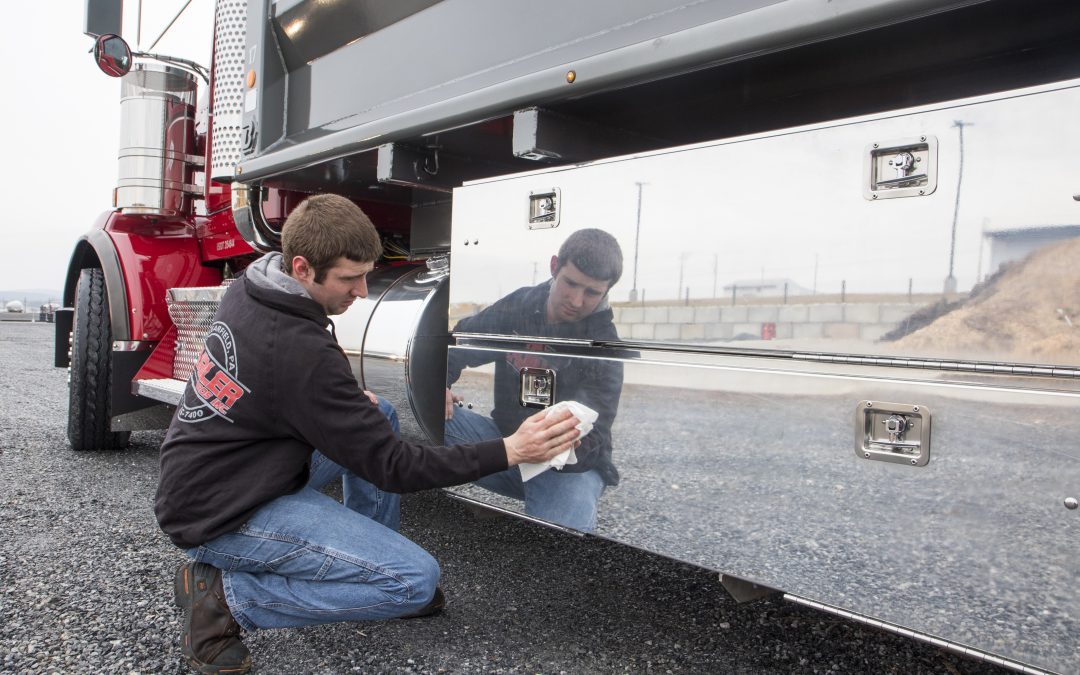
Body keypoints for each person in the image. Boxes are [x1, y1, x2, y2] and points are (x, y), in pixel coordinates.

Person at [154, 194, 581, 674]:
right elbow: (395, 467)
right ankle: (223, 598)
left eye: (366, 274)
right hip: (218, 512)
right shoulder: (298, 350)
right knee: (414, 581)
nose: (361, 291)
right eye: (348, 278)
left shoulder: (255, 284)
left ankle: (369, 565)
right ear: (301, 267)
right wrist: (508, 449)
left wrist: (344, 400)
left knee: (380, 418)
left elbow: (282, 385)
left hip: (220, 470)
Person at [444, 228, 624, 532]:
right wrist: (441, 384)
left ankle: (541, 501)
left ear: (606, 291)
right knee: (421, 411)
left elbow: (596, 430)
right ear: (554, 266)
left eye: (592, 293)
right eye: (571, 283)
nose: (577, 301)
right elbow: (458, 344)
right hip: (507, 445)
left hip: (564, 466)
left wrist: (555, 449)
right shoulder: (520, 306)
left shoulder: (603, 344)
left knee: (559, 546)